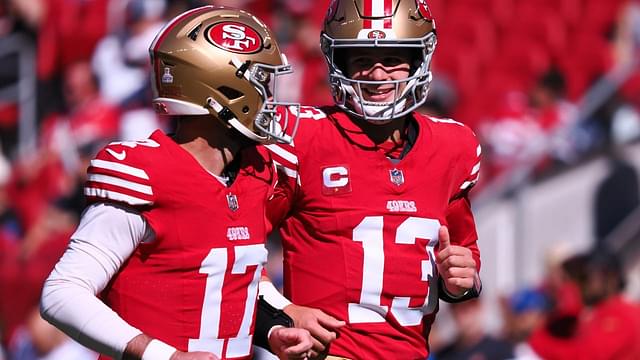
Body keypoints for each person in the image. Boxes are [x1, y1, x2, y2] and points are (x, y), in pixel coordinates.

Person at [40, 6, 313, 360]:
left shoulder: (255, 170)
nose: (269, 97)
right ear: (220, 88)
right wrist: (164, 356)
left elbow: (234, 277)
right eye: (258, 80)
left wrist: (276, 328)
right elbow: (62, 293)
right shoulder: (146, 172)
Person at [260, 1, 482, 358]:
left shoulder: (453, 147)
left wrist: (461, 281)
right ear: (338, 63)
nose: (378, 76)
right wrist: (279, 315)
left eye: (392, 60)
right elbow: (233, 246)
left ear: (418, 60)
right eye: (362, 60)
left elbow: (462, 256)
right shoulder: (303, 138)